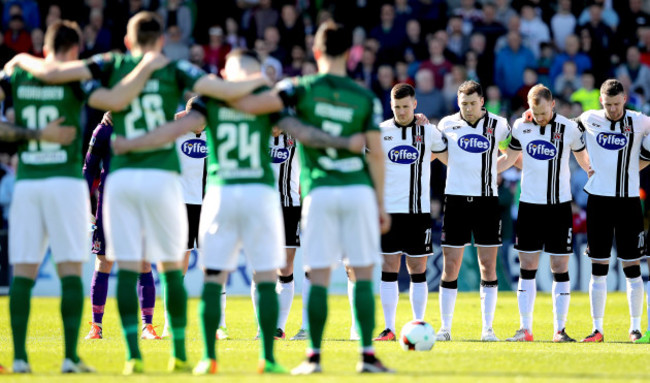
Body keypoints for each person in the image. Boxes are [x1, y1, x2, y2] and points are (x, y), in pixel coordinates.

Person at [8, 11, 271, 374]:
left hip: (122, 181)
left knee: (126, 268)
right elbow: (222, 90)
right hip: (162, 178)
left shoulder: (111, 63)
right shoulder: (176, 69)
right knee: (169, 268)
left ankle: (131, 355)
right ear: (161, 41)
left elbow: (56, 74)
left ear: (128, 42)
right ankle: (178, 352)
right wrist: (255, 81)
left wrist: (21, 58)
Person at [111, 48, 367, 375]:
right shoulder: (267, 99)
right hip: (259, 193)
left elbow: (181, 127)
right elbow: (295, 130)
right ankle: (269, 357)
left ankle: (208, 356)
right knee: (265, 276)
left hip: (221, 193)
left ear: (227, 71)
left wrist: (133, 142)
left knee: (213, 276)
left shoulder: (211, 99)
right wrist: (341, 143)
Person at [3, 19, 168, 374]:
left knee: (23, 275)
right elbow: (113, 100)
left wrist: (29, 128)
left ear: (44, 47)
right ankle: (70, 358)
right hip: (64, 185)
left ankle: (18, 359)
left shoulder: (15, 75)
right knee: (71, 273)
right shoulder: (79, 81)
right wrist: (148, 66)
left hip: (28, 183)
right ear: (76, 51)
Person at [230, 20, 393, 375]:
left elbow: (262, 110)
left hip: (317, 192)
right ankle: (366, 356)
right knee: (363, 273)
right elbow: (377, 154)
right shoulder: (363, 96)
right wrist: (381, 204)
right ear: (351, 54)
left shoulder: (297, 88)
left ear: (316, 52)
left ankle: (314, 357)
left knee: (317, 275)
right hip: (357, 192)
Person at [497, 84, 590, 342]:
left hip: (559, 206)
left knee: (559, 266)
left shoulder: (569, 128)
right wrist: (487, 170)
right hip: (528, 205)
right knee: (527, 266)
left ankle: (560, 330)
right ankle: (525, 329)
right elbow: (508, 159)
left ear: (553, 105)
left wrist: (592, 171)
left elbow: (583, 158)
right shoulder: (520, 127)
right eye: (534, 112)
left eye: (543, 112)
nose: (538, 117)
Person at [571, 79, 648, 343]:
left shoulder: (639, 121)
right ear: (601, 101)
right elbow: (565, 128)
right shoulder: (589, 118)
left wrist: (642, 161)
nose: (613, 109)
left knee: (632, 267)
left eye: (617, 104)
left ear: (624, 100)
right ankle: (597, 329)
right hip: (598, 201)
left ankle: (635, 328)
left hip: (628, 202)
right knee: (598, 267)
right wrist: (532, 115)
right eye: (608, 104)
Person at [436, 80, 511, 342]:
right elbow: (439, 153)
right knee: (451, 266)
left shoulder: (499, 125)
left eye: (472, 103)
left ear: (482, 101)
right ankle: (445, 328)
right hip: (455, 200)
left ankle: (487, 329)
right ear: (458, 102)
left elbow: (512, 152)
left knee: (488, 266)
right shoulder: (446, 124)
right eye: (463, 103)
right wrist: (457, 166)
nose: (468, 108)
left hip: (486, 201)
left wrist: (492, 170)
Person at [373, 83, 447, 342]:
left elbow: (445, 154)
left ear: (415, 104)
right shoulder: (381, 132)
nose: (402, 111)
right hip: (389, 211)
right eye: (397, 107)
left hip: (418, 211)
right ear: (390, 107)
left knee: (418, 267)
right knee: (389, 267)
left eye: (406, 106)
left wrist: (425, 158)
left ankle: (419, 322)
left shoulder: (427, 130)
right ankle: (389, 327)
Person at [83, 111, 159, 341]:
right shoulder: (103, 130)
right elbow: (89, 168)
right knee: (105, 261)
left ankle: (147, 326)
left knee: (143, 262)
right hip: (109, 203)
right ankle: (96, 326)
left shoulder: (146, 124)